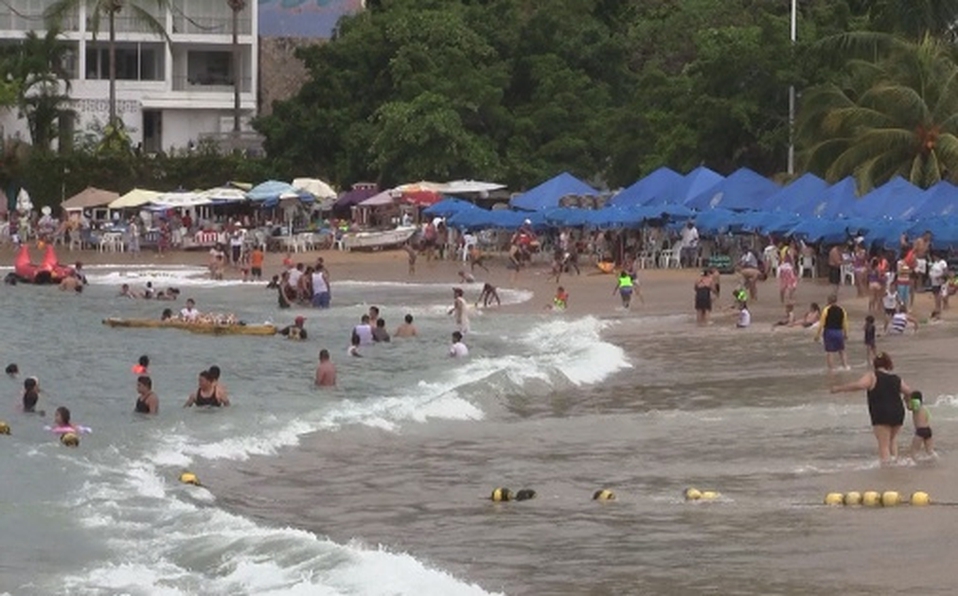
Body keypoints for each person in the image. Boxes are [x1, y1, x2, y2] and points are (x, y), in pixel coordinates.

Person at [831, 352, 911, 464]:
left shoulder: (872, 376)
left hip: (882, 413)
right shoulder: (896, 378)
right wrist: (908, 403)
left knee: (883, 445)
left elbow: (859, 385)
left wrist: (839, 388)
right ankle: (895, 464)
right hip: (898, 412)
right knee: (892, 440)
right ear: (888, 364)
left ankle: (887, 470)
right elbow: (909, 391)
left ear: (875, 364)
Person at [815, 294, 849, 372]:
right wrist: (846, 333)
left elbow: (822, 323)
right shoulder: (842, 310)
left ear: (828, 301)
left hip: (829, 332)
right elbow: (845, 323)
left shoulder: (826, 310)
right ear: (836, 301)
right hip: (839, 332)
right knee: (842, 350)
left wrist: (817, 335)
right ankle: (846, 366)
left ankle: (831, 369)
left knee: (830, 352)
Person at [907, 391, 936, 460]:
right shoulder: (924, 408)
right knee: (930, 451)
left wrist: (906, 398)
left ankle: (914, 464)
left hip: (920, 430)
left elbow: (909, 407)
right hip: (928, 430)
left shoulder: (915, 403)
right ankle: (936, 461)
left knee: (914, 451)